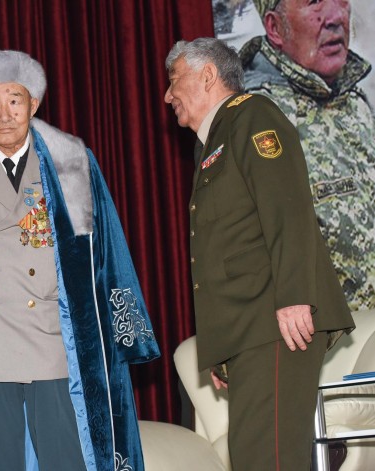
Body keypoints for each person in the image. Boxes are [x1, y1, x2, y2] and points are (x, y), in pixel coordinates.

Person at [0, 50, 160, 471]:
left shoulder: (68, 162)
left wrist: (120, 328)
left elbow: (104, 250)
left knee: (66, 460)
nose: (5, 114)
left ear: (34, 104)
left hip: (50, 339)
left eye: (15, 100)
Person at [164, 37, 355, 470]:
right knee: (255, 455)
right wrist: (223, 347)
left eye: (174, 80)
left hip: (275, 321)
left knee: (269, 458)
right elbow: (233, 246)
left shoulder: (252, 115)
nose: (168, 95)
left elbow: (287, 208)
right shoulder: (213, 141)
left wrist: (295, 296)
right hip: (251, 329)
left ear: (207, 75)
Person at [240, 0, 375, 310]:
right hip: (325, 337)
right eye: (314, 2)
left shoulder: (355, 103)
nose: (336, 16)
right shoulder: (255, 119)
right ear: (275, 28)